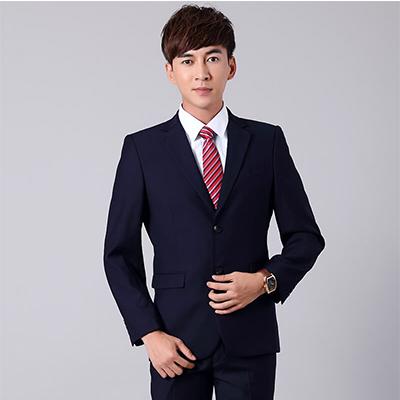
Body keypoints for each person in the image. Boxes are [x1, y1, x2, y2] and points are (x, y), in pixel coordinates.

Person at [103, 4, 325, 399]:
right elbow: (118, 255)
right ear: (170, 71)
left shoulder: (267, 143)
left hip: (250, 339)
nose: (201, 72)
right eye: (187, 60)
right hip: (175, 341)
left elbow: (306, 237)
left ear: (231, 66)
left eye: (213, 58)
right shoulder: (142, 150)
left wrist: (264, 281)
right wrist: (149, 333)